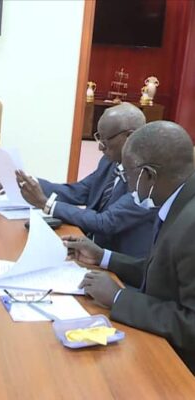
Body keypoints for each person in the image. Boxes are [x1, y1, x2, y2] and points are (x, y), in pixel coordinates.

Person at [65, 120, 195, 373]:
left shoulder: (190, 225)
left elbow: (191, 324)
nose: (128, 183)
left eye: (128, 174)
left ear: (149, 175)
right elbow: (164, 270)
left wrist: (118, 298)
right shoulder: (178, 198)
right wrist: (103, 257)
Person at [15, 103, 156, 258]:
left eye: (106, 140)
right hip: (89, 248)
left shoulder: (146, 177)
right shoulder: (110, 161)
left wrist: (46, 204)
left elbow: (105, 222)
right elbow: (80, 191)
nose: (100, 147)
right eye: (99, 138)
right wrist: (29, 182)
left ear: (129, 136)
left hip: (116, 260)